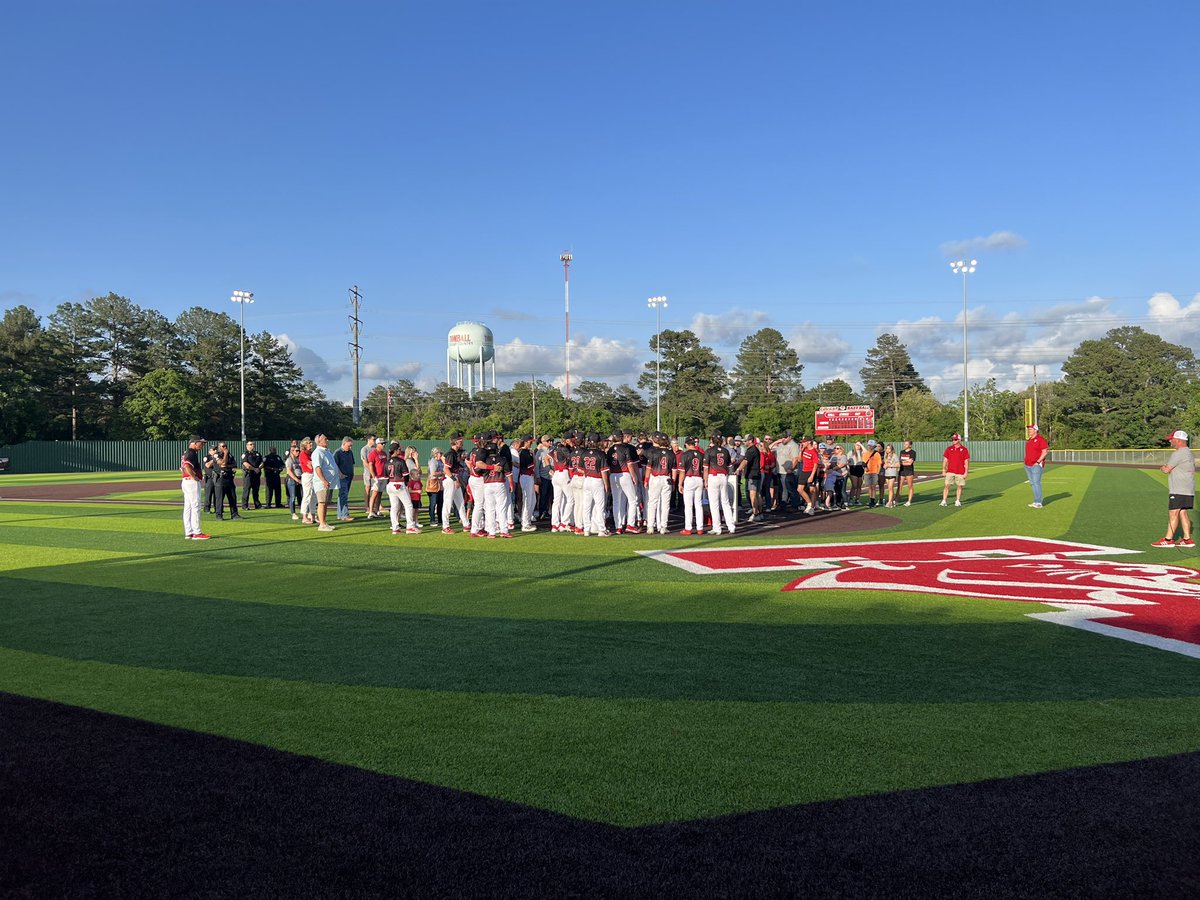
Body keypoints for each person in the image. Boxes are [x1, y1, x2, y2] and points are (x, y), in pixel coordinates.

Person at [1154, 430, 1195, 548]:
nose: (1171, 441)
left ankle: (1168, 539)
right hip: (1188, 488)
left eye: (1172, 439)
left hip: (1178, 489)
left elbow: (1167, 469)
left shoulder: (1179, 453)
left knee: (1173, 513)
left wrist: (1162, 468)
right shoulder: (1188, 453)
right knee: (1183, 512)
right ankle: (1187, 539)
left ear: (1179, 440)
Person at [576, 432, 611, 537]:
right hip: (597, 480)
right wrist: (607, 485)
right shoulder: (601, 454)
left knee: (586, 506)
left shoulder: (584, 453)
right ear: (598, 442)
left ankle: (586, 529)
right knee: (599, 507)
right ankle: (601, 530)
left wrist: (588, 472)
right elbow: (604, 471)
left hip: (587, 480)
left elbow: (579, 469)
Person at [703, 433, 737, 535]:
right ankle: (731, 526)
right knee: (725, 502)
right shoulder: (726, 451)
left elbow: (705, 468)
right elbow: (729, 466)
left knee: (714, 504)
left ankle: (717, 527)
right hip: (723, 476)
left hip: (713, 476)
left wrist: (705, 481)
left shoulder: (709, 451)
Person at [181, 436, 210, 540]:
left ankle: (189, 532)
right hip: (191, 482)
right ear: (194, 443)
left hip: (186, 481)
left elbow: (183, 467)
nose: (202, 445)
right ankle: (197, 532)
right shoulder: (191, 453)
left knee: (188, 507)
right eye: (200, 443)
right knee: (196, 506)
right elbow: (187, 466)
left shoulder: (187, 453)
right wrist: (194, 477)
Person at [386, 442, 418, 534]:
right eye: (399, 449)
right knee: (408, 505)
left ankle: (395, 528)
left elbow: (386, 476)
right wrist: (406, 484)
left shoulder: (387, 462)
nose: (400, 450)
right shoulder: (401, 461)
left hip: (390, 485)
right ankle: (410, 527)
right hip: (399, 484)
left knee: (394, 507)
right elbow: (406, 475)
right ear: (395, 451)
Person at [441, 433, 469, 534]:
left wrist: (458, 480)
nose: (462, 441)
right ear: (455, 441)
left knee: (460, 502)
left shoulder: (455, 453)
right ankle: (445, 526)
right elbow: (446, 468)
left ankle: (466, 524)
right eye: (460, 440)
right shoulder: (451, 453)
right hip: (450, 479)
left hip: (454, 477)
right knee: (448, 503)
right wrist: (455, 480)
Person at [310, 433, 338, 532]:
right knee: (322, 502)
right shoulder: (317, 452)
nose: (327, 441)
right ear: (319, 441)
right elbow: (317, 468)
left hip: (329, 482)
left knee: (325, 503)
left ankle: (324, 522)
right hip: (322, 482)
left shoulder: (327, 451)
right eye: (325, 439)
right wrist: (323, 480)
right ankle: (321, 524)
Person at [679, 436, 706, 534]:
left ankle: (688, 528)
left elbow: (682, 471)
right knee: (698, 504)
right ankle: (700, 528)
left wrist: (680, 484)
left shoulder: (685, 454)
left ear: (686, 444)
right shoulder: (701, 454)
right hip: (699, 478)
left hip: (689, 478)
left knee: (689, 505)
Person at [736, 436, 763, 523]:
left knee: (753, 495)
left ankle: (755, 513)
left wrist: (738, 469)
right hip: (756, 474)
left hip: (752, 475)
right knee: (757, 494)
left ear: (750, 441)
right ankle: (760, 512)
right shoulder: (755, 449)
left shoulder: (751, 450)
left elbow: (745, 461)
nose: (744, 442)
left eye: (745, 441)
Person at [214, 441, 242, 520]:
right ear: (219, 447)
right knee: (220, 498)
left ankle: (234, 514)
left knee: (232, 497)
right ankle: (219, 515)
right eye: (223, 446)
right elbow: (222, 464)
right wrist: (225, 454)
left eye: (225, 446)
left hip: (229, 478)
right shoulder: (216, 455)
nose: (225, 448)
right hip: (220, 479)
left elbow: (234, 465)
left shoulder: (230, 455)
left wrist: (226, 465)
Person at [941, 434, 970, 507]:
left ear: (959, 440)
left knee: (959, 486)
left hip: (960, 471)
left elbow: (966, 462)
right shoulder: (949, 449)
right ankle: (944, 500)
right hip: (950, 471)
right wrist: (944, 470)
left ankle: (957, 500)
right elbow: (945, 460)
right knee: (947, 485)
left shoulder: (964, 449)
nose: (953, 441)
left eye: (955, 439)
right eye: (953, 439)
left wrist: (966, 472)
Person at [1024, 424, 1049, 509]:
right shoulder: (1029, 440)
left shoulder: (1040, 440)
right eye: (1029, 429)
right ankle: (1036, 501)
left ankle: (1038, 502)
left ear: (1035, 430)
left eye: (1031, 429)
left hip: (1036, 465)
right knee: (1033, 483)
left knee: (1036, 483)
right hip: (1028, 465)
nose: (1029, 431)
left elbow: (1045, 452)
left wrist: (1038, 462)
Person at [333, 436, 356, 522]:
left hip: (349, 476)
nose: (350, 447)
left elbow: (352, 463)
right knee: (344, 495)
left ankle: (340, 514)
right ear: (344, 443)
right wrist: (340, 474)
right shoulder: (337, 453)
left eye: (351, 446)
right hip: (342, 477)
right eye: (349, 445)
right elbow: (334, 465)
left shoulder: (350, 452)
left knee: (342, 496)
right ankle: (344, 515)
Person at [366, 438, 388, 519]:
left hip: (384, 476)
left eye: (384, 443)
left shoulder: (384, 453)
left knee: (380, 494)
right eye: (382, 443)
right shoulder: (373, 453)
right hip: (377, 477)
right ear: (377, 444)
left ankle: (377, 510)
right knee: (374, 494)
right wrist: (373, 475)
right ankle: (371, 511)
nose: (383, 445)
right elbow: (370, 465)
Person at [240, 440, 264, 510]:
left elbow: (262, 462)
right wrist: (254, 469)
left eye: (253, 444)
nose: (252, 445)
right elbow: (245, 464)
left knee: (256, 490)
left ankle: (257, 505)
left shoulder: (257, 454)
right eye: (250, 444)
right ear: (247, 446)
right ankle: (245, 505)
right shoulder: (245, 454)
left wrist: (259, 468)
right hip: (249, 474)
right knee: (246, 490)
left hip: (256, 474)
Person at [298, 437, 316, 524]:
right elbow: (310, 466)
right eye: (309, 443)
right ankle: (304, 517)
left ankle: (312, 515)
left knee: (313, 496)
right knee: (307, 495)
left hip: (313, 475)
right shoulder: (303, 454)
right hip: (307, 475)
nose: (311, 444)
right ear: (304, 445)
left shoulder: (310, 453)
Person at [426, 447, 445, 526]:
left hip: (440, 484)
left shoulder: (440, 461)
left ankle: (440, 519)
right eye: (440, 453)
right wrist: (442, 473)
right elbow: (433, 473)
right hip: (433, 483)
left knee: (440, 502)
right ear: (436, 454)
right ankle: (432, 520)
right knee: (433, 503)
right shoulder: (433, 461)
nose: (442, 455)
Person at [285, 444, 304, 521]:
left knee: (303, 496)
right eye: (296, 451)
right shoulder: (289, 460)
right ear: (292, 451)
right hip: (292, 479)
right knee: (293, 497)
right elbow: (289, 471)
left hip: (300, 478)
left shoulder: (299, 459)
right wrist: (297, 480)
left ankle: (305, 512)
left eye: (299, 450)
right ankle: (293, 513)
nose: (298, 452)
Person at [861, 439, 883, 508]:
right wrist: (865, 468)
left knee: (873, 487)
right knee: (869, 487)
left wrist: (877, 473)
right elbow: (864, 463)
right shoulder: (865, 454)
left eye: (871, 446)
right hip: (867, 472)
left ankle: (873, 501)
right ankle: (871, 500)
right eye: (869, 445)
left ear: (874, 446)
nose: (870, 447)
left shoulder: (877, 454)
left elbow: (879, 464)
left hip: (874, 472)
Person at [359, 435, 377, 515]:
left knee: (375, 489)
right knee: (368, 488)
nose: (374, 440)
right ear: (369, 440)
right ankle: (367, 507)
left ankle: (376, 507)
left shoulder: (375, 448)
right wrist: (371, 470)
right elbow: (365, 462)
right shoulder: (364, 449)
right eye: (373, 439)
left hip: (375, 473)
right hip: (367, 473)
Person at [898, 440, 917, 506]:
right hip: (902, 471)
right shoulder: (901, 452)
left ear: (910, 445)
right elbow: (900, 462)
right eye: (904, 444)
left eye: (906, 444)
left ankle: (909, 501)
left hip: (909, 471)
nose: (904, 445)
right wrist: (907, 461)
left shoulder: (913, 452)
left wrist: (905, 461)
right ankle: (897, 499)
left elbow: (910, 463)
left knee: (910, 486)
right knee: (899, 486)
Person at [882, 443, 900, 508]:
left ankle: (889, 502)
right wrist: (885, 466)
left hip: (892, 473)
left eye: (889, 448)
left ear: (891, 449)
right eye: (887, 448)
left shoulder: (894, 455)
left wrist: (891, 466)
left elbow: (898, 464)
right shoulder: (885, 456)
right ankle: (891, 501)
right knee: (889, 488)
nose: (887, 449)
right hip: (887, 473)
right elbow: (885, 464)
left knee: (890, 487)